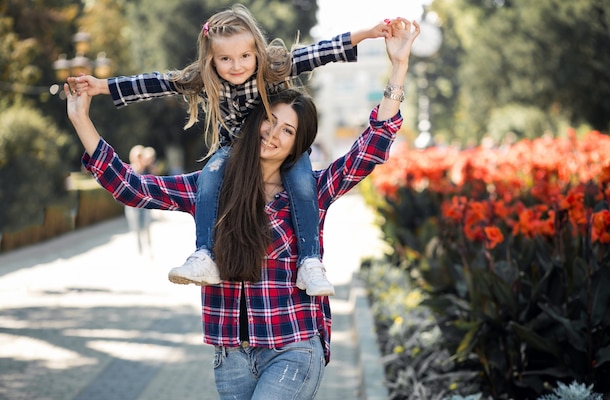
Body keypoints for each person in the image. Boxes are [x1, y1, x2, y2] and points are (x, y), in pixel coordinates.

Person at [65, 16, 419, 400]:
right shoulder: (211, 188)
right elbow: (132, 187)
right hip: (230, 354)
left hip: (294, 346)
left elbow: (370, 148)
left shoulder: (311, 192)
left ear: (296, 144)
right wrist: (82, 119)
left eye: (288, 131)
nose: (274, 134)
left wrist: (399, 67)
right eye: (270, 121)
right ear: (253, 122)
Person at [69, 4, 392, 297]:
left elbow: (319, 52)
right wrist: (103, 86)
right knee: (210, 178)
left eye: (244, 57)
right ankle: (204, 254)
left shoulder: (272, 68)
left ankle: (310, 261)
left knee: (303, 185)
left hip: (285, 162)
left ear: (257, 53)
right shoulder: (203, 78)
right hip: (231, 150)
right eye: (225, 59)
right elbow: (158, 82)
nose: (236, 66)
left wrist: (367, 34)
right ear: (212, 59)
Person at [124, 145, 155, 256]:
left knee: (146, 226)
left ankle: (149, 248)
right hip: (133, 205)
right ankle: (139, 251)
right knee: (136, 228)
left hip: (145, 203)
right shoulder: (130, 170)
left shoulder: (147, 170)